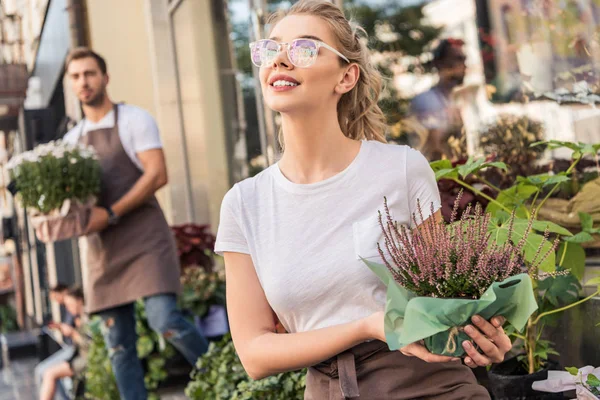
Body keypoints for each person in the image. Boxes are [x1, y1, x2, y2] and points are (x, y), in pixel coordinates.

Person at [215, 1, 511, 399]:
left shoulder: (402, 170)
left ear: (347, 77)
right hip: (330, 389)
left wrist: (481, 336)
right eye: (271, 49)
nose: (281, 60)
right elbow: (254, 353)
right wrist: (365, 326)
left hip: (428, 385)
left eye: (304, 48)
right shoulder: (244, 204)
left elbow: (444, 298)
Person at [63, 47, 208, 400]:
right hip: (102, 250)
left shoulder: (134, 120)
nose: (84, 81)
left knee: (166, 321)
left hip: (144, 239)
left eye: (90, 73)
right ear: (70, 84)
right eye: (77, 76)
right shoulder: (69, 143)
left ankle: (225, 374)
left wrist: (111, 213)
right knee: (118, 345)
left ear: (105, 78)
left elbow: (157, 174)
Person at [410, 38, 468, 160]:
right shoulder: (427, 101)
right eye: (458, 59)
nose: (464, 65)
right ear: (440, 63)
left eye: (464, 59)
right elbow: (436, 151)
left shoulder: (453, 99)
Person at [39, 287, 87, 400]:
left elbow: (91, 344)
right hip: (78, 355)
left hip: (84, 358)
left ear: (79, 300)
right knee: (46, 372)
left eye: (70, 304)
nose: (69, 308)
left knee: (49, 373)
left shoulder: (87, 317)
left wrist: (73, 333)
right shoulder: (79, 317)